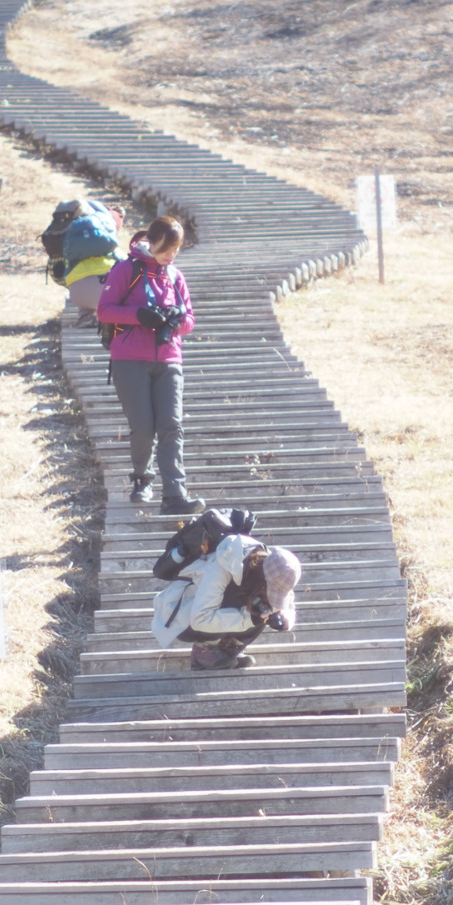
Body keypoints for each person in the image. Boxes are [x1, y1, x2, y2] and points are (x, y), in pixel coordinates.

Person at [96, 214, 203, 512]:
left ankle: (174, 495)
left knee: (172, 425)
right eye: (166, 249)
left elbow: (190, 320)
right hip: (129, 359)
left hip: (169, 359)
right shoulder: (126, 269)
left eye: (176, 250)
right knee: (143, 427)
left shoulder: (175, 276)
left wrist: (176, 320)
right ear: (151, 242)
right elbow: (104, 311)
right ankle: (142, 480)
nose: (171, 255)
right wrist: (139, 315)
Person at [151, 533, 301, 670]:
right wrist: (250, 619)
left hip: (202, 614)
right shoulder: (222, 565)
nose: (273, 594)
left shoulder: (275, 570)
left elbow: (288, 605)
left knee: (266, 609)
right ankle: (204, 650)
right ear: (262, 578)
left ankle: (227, 650)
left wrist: (284, 620)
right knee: (249, 605)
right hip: (182, 616)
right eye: (271, 590)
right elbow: (200, 619)